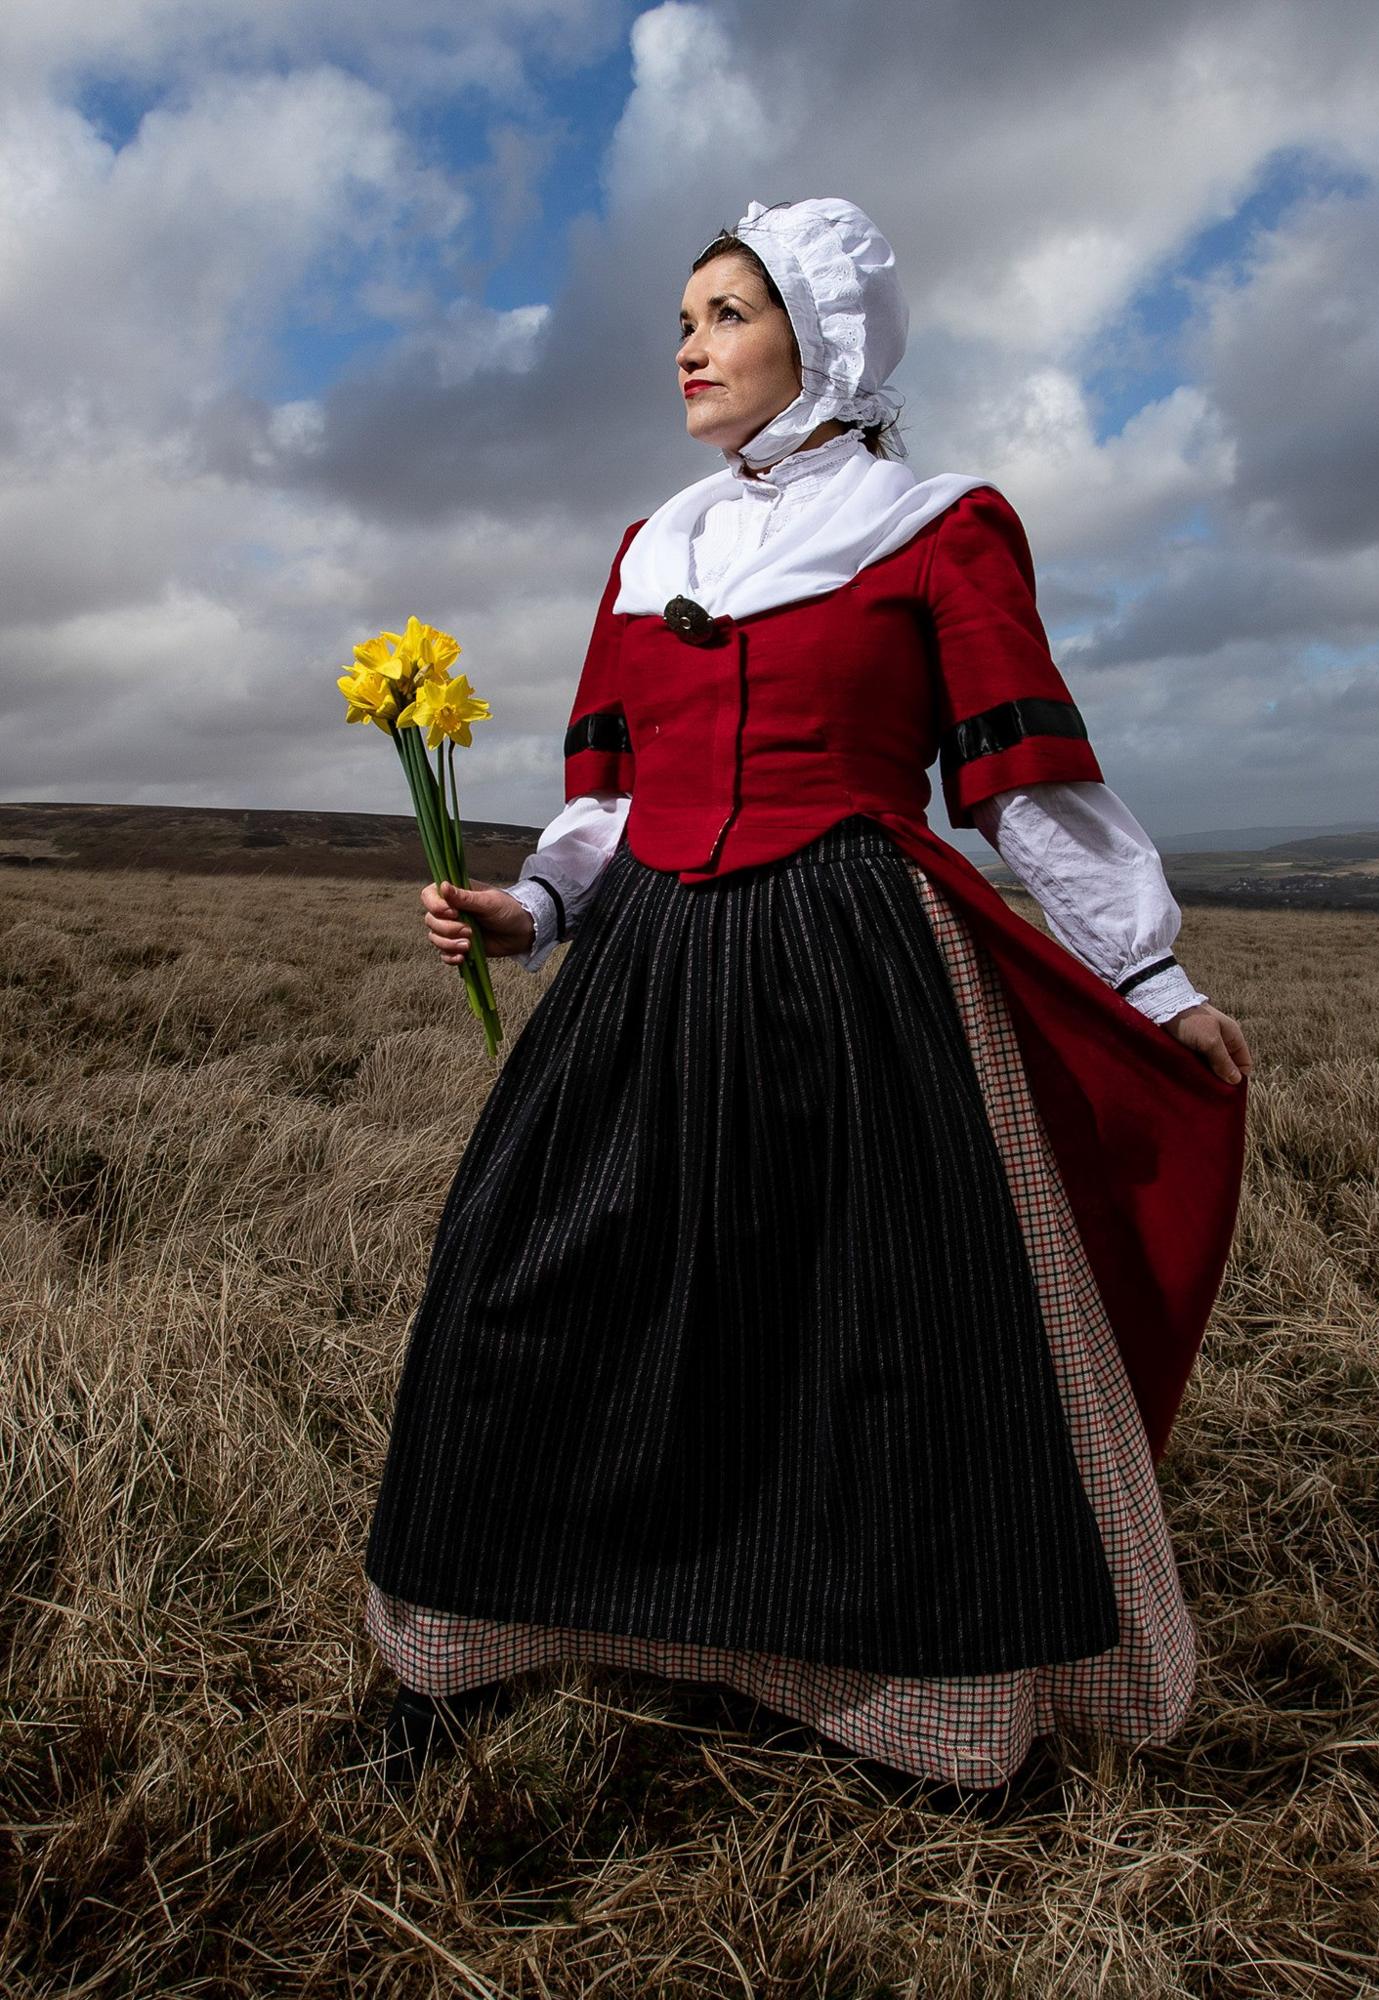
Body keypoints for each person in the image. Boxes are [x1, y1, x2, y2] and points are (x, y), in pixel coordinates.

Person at [362, 197, 1251, 1794]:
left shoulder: (939, 526)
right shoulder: (652, 548)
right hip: (647, 964)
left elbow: (1025, 780)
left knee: (880, 1332)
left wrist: (1150, 967)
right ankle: (469, 1646)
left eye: (723, 316)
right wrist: (534, 904)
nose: (687, 350)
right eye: (683, 323)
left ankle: (923, 1712)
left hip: (854, 962)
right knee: (528, 1282)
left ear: (820, 335)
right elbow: (610, 798)